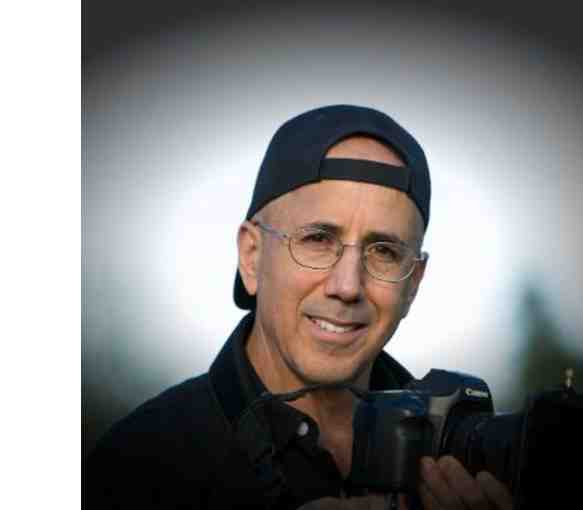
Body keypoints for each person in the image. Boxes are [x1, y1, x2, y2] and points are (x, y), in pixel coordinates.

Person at [85, 105, 513, 510]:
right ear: (252, 256)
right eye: (318, 240)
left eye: (384, 251)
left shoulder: (467, 460)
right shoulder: (139, 465)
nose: (347, 287)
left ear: (413, 284)